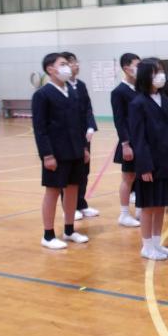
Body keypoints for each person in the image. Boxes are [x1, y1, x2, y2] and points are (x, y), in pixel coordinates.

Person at [128, 58, 168, 260]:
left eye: (161, 71)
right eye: (155, 72)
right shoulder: (138, 103)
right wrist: (144, 166)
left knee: (161, 204)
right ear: (146, 76)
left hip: (167, 161)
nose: (160, 76)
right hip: (150, 164)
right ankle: (146, 246)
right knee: (148, 206)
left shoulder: (167, 101)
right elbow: (138, 138)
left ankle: (156, 243)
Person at [32, 53, 91, 250]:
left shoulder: (72, 91)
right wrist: (47, 155)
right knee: (53, 192)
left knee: (72, 190)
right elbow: (40, 129)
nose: (68, 67)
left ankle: (69, 230)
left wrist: (83, 148)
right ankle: (48, 235)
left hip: (75, 151)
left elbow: (79, 123)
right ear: (51, 69)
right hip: (56, 154)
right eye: (63, 64)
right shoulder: (42, 95)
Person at [61, 52, 98, 220]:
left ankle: (81, 204)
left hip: (84, 136)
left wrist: (90, 126)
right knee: (69, 173)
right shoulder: (62, 88)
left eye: (76, 62)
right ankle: (68, 208)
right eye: (70, 62)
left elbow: (88, 108)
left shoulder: (81, 85)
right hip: (69, 137)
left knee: (83, 171)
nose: (75, 65)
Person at [110, 53, 141, 228]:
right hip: (129, 141)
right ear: (126, 68)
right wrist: (125, 144)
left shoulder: (141, 88)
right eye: (137, 65)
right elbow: (119, 120)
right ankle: (124, 214)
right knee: (128, 177)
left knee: (142, 176)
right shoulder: (119, 92)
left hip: (143, 140)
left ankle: (140, 209)